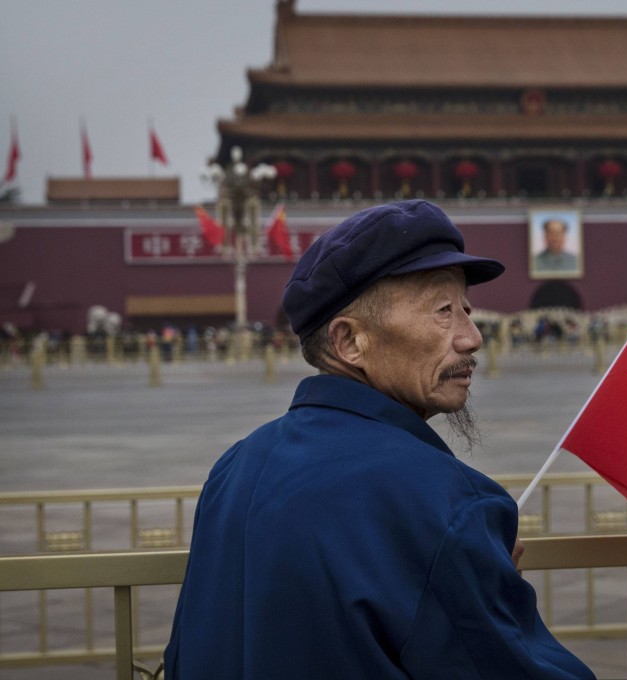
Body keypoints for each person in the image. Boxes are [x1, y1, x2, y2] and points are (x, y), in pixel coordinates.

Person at [164, 200, 594, 679]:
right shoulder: (445, 503)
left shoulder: (234, 468)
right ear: (349, 342)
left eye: (467, 309)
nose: (471, 337)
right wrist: (497, 596)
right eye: (443, 310)